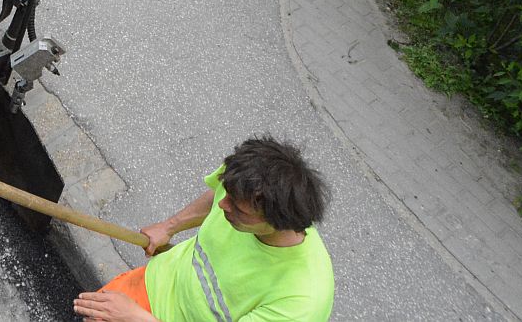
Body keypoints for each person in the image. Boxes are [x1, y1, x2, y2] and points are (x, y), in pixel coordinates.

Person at [73, 138, 335, 322]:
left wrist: (133, 317)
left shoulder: (300, 299)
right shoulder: (244, 183)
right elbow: (217, 196)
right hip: (145, 287)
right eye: (226, 192)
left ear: (276, 222)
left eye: (237, 208)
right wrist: (169, 227)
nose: (222, 205)